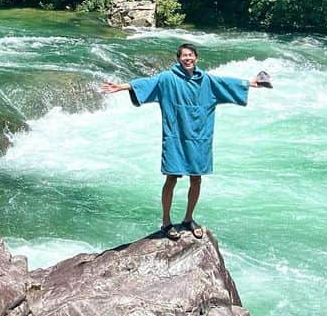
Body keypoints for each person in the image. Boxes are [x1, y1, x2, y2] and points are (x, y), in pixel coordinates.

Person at [101, 42, 264, 239]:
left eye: (191, 55)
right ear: (178, 59)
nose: (188, 58)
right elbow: (147, 83)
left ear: (197, 57)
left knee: (196, 179)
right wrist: (121, 87)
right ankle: (166, 221)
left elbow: (228, 84)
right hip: (175, 137)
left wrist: (252, 83)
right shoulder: (167, 79)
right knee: (171, 179)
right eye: (184, 55)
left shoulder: (207, 80)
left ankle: (188, 219)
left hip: (199, 138)